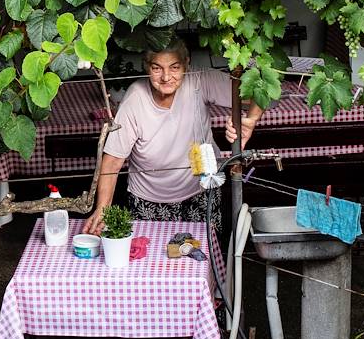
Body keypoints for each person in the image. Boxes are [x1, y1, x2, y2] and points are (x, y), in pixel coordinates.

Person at [81, 39, 263, 235]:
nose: (166, 77)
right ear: (147, 67)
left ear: (186, 63)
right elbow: (113, 161)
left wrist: (251, 120)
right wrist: (102, 208)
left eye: (174, 67)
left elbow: (263, 92)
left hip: (200, 194)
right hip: (148, 201)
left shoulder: (199, 80)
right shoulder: (135, 98)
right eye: (157, 68)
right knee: (152, 262)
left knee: (203, 260)